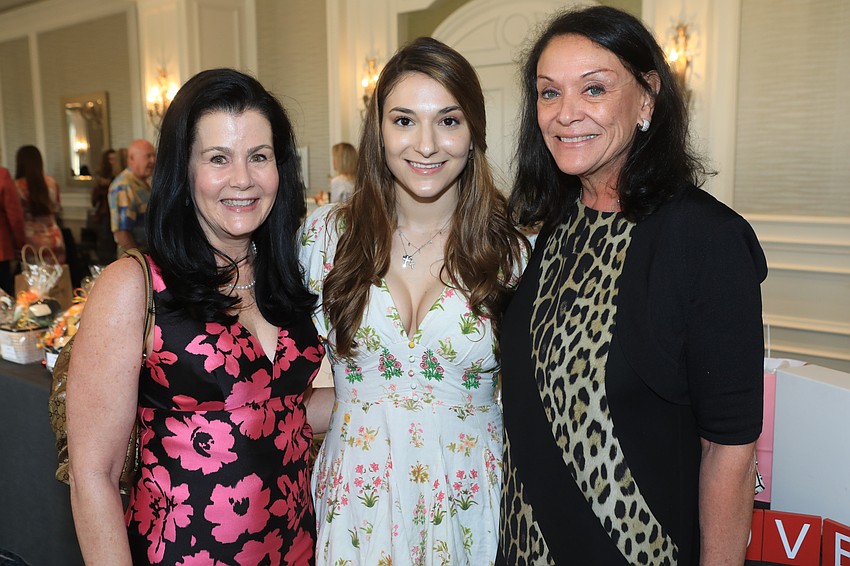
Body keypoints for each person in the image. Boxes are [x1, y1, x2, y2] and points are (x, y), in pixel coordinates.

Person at [498, 6, 767, 566]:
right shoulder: (553, 227)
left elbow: (730, 451)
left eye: (593, 89)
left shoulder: (706, 241)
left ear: (647, 98)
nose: (566, 114)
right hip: (527, 545)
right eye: (549, 93)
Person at [67, 68, 330, 565]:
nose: (243, 179)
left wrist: (391, 403)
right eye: (218, 159)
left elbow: (278, 409)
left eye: (259, 157)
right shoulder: (135, 286)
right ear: (183, 173)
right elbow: (92, 476)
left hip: (296, 549)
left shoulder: (287, 273)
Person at [300, 37, 527, 565]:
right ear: (378, 132)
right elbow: (274, 373)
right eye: (404, 120)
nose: (426, 144)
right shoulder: (323, 239)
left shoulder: (515, 252)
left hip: (468, 503)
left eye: (448, 120)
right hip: (356, 503)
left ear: (474, 133)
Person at [14, 145, 66, 263]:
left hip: (30, 238)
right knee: (56, 277)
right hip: (54, 236)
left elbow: (16, 215)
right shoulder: (51, 183)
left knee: (35, 278)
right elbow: (57, 208)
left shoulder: (17, 186)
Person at [108, 138, 155, 255]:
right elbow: (122, 232)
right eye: (148, 156)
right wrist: (137, 261)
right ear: (132, 158)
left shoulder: (143, 183)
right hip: (136, 260)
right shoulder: (123, 186)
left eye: (154, 156)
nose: (153, 160)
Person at [0, 165, 26, 294]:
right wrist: (20, 244)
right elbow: (15, 217)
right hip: (1, 251)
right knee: (4, 301)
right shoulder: (2, 175)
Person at [90, 148, 118, 264]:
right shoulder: (102, 177)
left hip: (115, 215)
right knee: (106, 249)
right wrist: (103, 187)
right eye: (110, 159)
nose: (112, 162)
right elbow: (94, 200)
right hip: (105, 216)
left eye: (114, 159)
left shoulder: (119, 178)